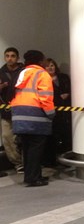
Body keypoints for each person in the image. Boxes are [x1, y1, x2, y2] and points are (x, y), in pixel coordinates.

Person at [10, 50, 54, 187]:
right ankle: (34, 178)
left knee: (27, 148)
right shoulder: (42, 74)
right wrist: (51, 113)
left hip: (19, 115)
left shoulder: (21, 73)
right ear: (40, 61)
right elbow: (45, 96)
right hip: (35, 114)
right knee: (36, 148)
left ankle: (30, 176)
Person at [0, 47, 24, 174]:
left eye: (13, 56)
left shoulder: (24, 71)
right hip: (6, 111)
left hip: (22, 110)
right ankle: (18, 163)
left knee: (23, 137)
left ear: (17, 58)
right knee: (7, 137)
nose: (10, 58)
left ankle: (29, 162)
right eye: (7, 56)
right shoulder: (1, 72)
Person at [43, 58, 71, 166]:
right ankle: (51, 161)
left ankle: (66, 158)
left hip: (66, 110)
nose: (50, 68)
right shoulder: (43, 80)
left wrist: (67, 94)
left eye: (52, 65)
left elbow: (71, 89)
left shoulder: (63, 77)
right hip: (52, 112)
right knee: (52, 136)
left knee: (66, 134)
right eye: (47, 66)